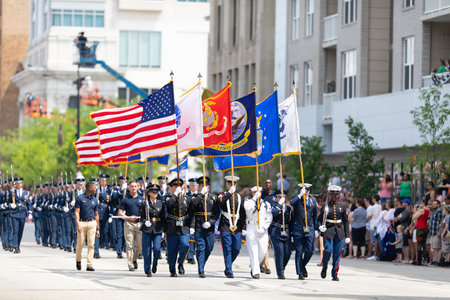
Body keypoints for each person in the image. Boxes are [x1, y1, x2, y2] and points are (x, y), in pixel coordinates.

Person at [190, 176, 220, 278]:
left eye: (206, 185)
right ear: (199, 186)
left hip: (209, 227)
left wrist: (211, 222)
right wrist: (201, 194)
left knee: (209, 247)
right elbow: (193, 206)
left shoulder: (213, 197)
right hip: (199, 226)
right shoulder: (196, 197)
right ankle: (201, 269)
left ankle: (202, 263)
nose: (204, 187)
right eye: (202, 185)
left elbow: (216, 213)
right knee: (201, 248)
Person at [318, 185, 349, 281]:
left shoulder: (342, 207)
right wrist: (320, 227)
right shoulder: (325, 206)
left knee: (337, 253)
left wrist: (347, 235)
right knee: (327, 250)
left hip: (339, 232)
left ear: (338, 194)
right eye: (332, 194)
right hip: (328, 231)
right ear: (329, 194)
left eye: (335, 194)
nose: (334, 196)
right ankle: (325, 266)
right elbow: (319, 219)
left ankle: (334, 273)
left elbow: (345, 221)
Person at [218, 175, 246, 278]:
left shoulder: (239, 197)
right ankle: (229, 270)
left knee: (237, 248)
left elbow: (243, 214)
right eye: (229, 183)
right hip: (225, 224)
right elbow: (220, 204)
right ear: (226, 184)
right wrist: (229, 194)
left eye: (233, 183)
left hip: (237, 226)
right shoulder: (222, 195)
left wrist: (244, 228)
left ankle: (228, 265)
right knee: (227, 248)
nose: (231, 185)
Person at [165, 178, 192, 277]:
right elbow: (168, 205)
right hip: (172, 227)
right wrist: (175, 195)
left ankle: (181, 263)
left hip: (184, 226)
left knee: (185, 245)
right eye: (175, 186)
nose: (177, 188)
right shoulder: (168, 197)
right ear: (171, 188)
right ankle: (172, 269)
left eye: (179, 186)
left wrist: (192, 226)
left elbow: (191, 213)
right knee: (172, 251)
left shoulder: (186, 198)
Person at [244, 186, 272, 279]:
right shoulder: (248, 202)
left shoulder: (266, 204)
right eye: (255, 192)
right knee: (253, 250)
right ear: (252, 193)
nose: (257, 193)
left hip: (262, 229)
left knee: (263, 250)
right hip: (252, 227)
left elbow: (269, 217)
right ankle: (255, 271)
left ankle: (254, 265)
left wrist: (264, 228)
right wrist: (254, 199)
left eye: (259, 192)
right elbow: (248, 210)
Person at [291, 183, 317, 280]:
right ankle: (300, 273)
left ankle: (302, 265)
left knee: (310, 251)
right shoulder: (297, 199)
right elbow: (292, 202)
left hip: (309, 228)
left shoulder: (312, 200)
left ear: (309, 191)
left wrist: (316, 229)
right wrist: (300, 195)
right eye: (303, 191)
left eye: (306, 191)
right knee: (299, 251)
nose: (305, 193)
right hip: (298, 228)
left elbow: (314, 215)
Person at [140, 184, 165, 277]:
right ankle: (148, 269)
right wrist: (145, 221)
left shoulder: (160, 203)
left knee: (157, 249)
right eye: (153, 192)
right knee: (146, 251)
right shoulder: (144, 203)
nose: (155, 193)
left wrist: (163, 229)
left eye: (156, 192)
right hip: (147, 229)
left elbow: (163, 217)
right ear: (149, 193)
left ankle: (155, 263)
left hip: (157, 228)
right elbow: (142, 216)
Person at [74, 180, 100, 271]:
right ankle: (78, 260)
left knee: (91, 244)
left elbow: (96, 215)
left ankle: (89, 265)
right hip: (82, 223)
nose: (95, 189)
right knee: (80, 244)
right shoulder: (80, 198)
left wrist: (97, 229)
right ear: (89, 188)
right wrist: (78, 224)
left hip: (92, 223)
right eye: (94, 187)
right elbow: (77, 212)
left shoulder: (95, 200)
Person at [119, 180, 143, 271]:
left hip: (139, 224)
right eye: (131, 186)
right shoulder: (125, 199)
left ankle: (134, 259)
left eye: (135, 186)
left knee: (140, 246)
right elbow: (120, 213)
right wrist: (128, 217)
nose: (133, 188)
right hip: (129, 224)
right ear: (129, 188)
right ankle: (130, 264)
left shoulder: (142, 199)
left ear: (138, 187)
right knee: (129, 245)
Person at [268, 192, 292, 279]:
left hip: (286, 231)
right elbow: (274, 213)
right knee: (280, 253)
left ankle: (281, 267)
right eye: (279, 197)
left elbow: (290, 221)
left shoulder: (288, 208)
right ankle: (280, 273)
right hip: (276, 231)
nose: (281, 198)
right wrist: (279, 204)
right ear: (276, 198)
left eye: (283, 197)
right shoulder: (273, 206)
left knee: (288, 253)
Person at [9, 177, 29, 254]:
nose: (19, 184)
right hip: (14, 213)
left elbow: (28, 203)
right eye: (17, 183)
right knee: (15, 230)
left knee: (20, 231)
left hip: (22, 213)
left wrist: (30, 212)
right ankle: (15, 247)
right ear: (16, 184)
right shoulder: (12, 192)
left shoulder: (26, 193)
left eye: (20, 183)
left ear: (22, 184)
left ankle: (18, 244)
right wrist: (11, 205)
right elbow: (8, 202)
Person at [412, 200, 430, 265]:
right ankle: (425, 260)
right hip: (425, 227)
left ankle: (419, 260)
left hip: (420, 228)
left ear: (423, 203)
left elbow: (414, 217)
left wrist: (416, 210)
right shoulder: (427, 210)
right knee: (424, 244)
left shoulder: (422, 210)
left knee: (419, 244)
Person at [186, 178, 198, 265]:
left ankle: (194, 253)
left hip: (198, 219)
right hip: (189, 219)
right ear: (189, 186)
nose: (193, 186)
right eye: (192, 185)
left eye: (195, 185)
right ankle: (190, 256)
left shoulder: (201, 195)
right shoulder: (186, 195)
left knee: (197, 238)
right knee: (190, 238)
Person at [429, 199, 444, 266]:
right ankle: (434, 260)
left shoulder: (439, 211)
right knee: (434, 248)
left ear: (438, 205)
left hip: (436, 231)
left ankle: (437, 261)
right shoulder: (434, 211)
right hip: (432, 231)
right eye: (433, 204)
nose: (433, 205)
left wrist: (439, 231)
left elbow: (441, 222)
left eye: (435, 204)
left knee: (438, 247)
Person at [367, 195, 382, 260]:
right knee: (378, 241)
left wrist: (366, 220)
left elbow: (369, 216)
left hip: (373, 225)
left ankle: (375, 254)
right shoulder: (381, 206)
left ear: (374, 199)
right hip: (379, 225)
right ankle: (378, 254)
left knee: (374, 241)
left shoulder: (372, 208)